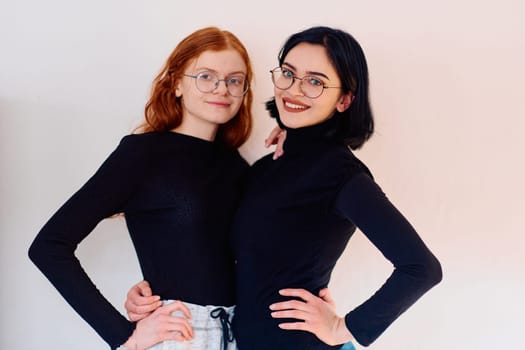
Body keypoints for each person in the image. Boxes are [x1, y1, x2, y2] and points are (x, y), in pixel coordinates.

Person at [126, 26, 442, 349]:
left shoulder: (341, 175)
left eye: (316, 82)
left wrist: (342, 326)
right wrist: (152, 291)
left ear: (345, 99)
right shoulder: (266, 168)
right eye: (289, 74)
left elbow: (421, 268)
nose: (294, 90)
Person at [28, 26, 256, 350]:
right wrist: (124, 336)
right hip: (180, 336)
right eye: (206, 76)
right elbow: (48, 246)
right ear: (177, 82)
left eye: (235, 80)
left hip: (242, 332)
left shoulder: (238, 166)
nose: (222, 89)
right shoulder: (142, 154)